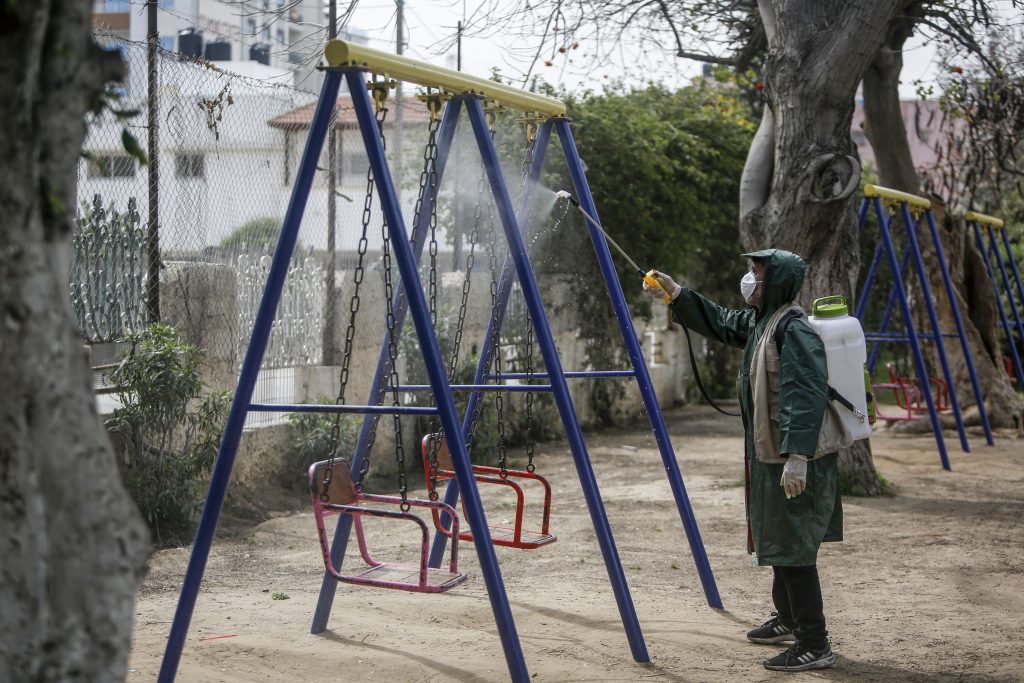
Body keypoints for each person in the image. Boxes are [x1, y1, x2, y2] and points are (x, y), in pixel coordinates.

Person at [645, 249, 842, 673]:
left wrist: (798, 456)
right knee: (778, 540)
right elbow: (721, 321)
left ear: (776, 280)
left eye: (756, 271)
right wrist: (678, 294)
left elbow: (805, 396)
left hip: (791, 456)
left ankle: (815, 643)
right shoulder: (761, 323)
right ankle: (789, 620)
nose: (748, 277)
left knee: (793, 549)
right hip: (771, 453)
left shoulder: (794, 330)